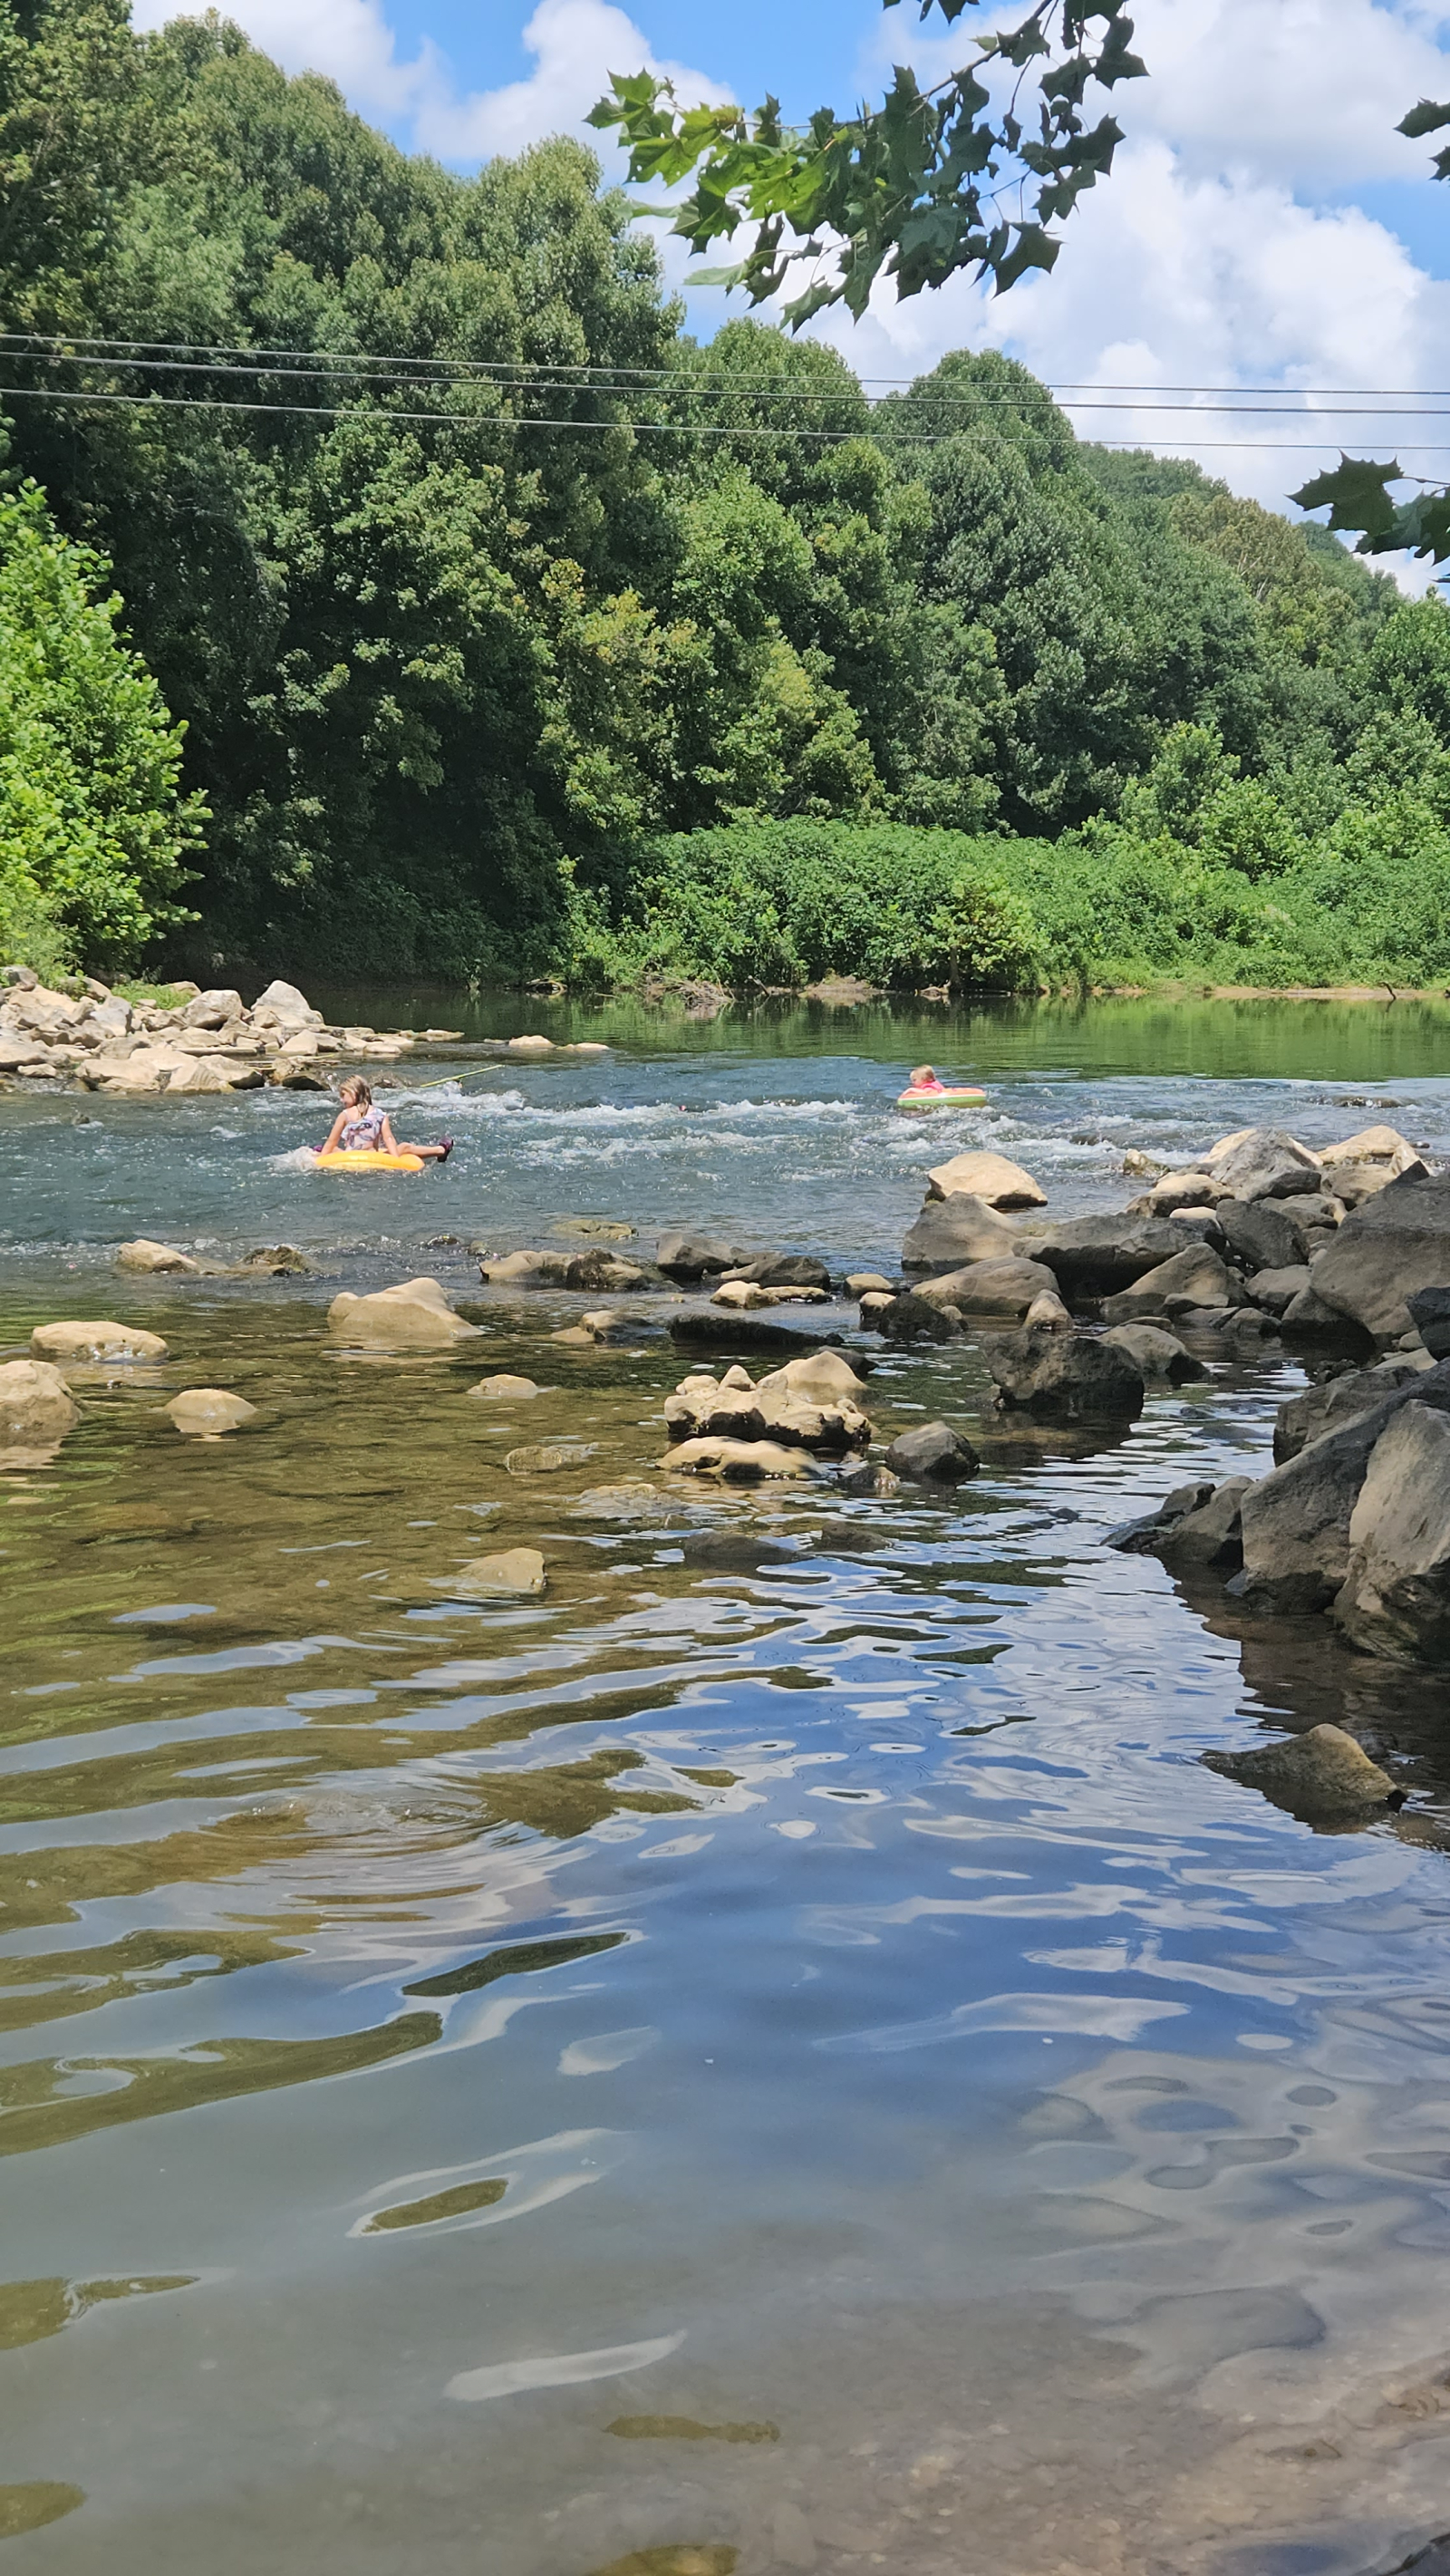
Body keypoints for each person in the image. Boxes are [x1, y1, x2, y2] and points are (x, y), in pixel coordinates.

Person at [320, 1075, 454, 1163]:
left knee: (322, 1148)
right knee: (404, 1147)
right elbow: (388, 1138)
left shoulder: (345, 1115)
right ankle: (440, 1150)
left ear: (354, 1093)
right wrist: (395, 1160)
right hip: (373, 1157)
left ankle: (317, 1150)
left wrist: (321, 1158)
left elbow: (332, 1141)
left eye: (343, 1095)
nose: (341, 1099)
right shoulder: (380, 1115)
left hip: (350, 1156)